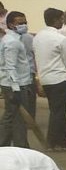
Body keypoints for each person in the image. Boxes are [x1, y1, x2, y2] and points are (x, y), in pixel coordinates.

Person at [32, 7, 66, 150]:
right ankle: (52, 141)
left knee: (56, 110)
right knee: (58, 112)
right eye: (61, 19)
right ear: (55, 20)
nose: (63, 22)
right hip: (59, 78)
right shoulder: (61, 39)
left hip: (45, 78)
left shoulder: (38, 37)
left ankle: (62, 139)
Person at [0, 11, 33, 147]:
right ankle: (20, 145)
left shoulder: (14, 40)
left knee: (11, 116)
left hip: (16, 83)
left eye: (25, 22)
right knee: (17, 118)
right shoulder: (12, 42)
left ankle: (6, 144)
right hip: (15, 84)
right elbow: (10, 66)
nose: (24, 25)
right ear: (11, 24)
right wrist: (15, 89)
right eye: (20, 23)